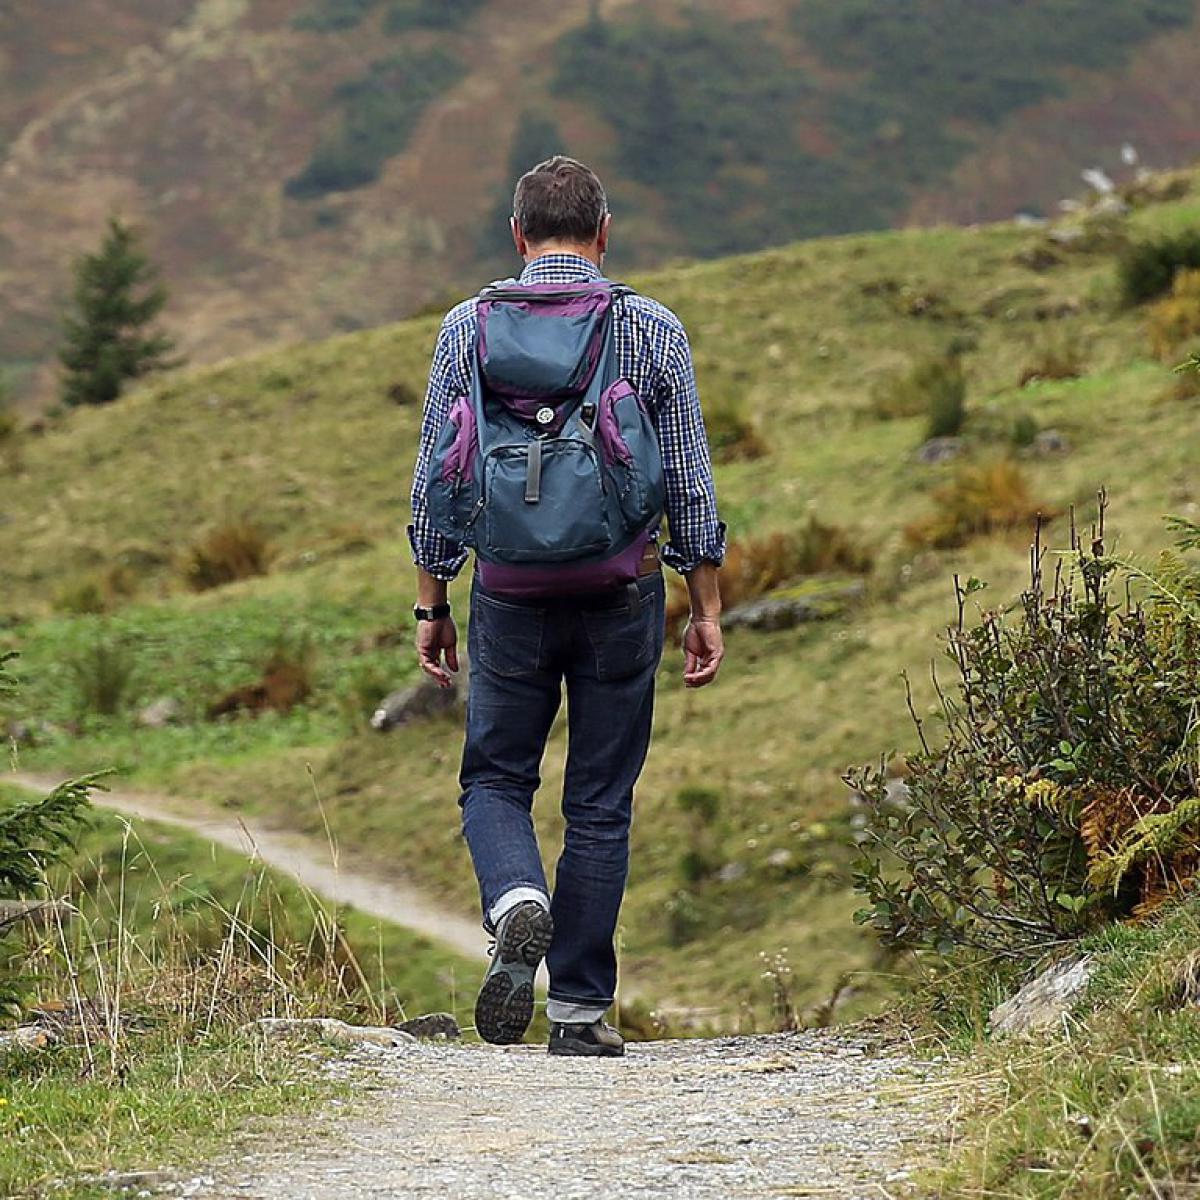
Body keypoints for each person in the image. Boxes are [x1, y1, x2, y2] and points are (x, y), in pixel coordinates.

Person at [408, 155, 725, 1057]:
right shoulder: (651, 328)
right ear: (604, 231)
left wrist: (432, 601)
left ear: (517, 235)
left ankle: (517, 899)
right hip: (621, 589)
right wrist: (704, 603)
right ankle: (580, 1011)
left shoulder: (466, 328)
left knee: (496, 778)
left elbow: (438, 473)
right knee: (600, 800)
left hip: (507, 592)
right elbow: (691, 482)